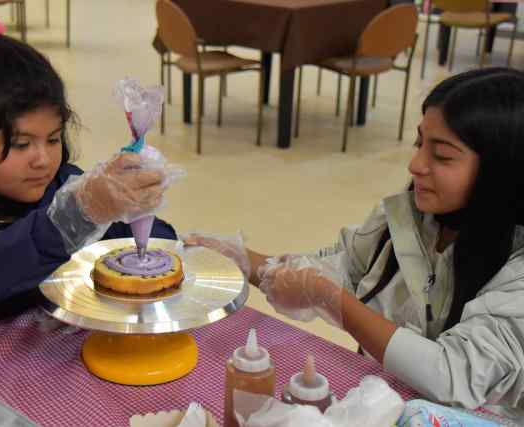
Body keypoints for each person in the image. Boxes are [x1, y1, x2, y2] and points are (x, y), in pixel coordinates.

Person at [186, 68, 524, 421]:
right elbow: (340, 268)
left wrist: (336, 302)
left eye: (441, 156)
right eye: (419, 143)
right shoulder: (409, 220)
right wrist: (238, 260)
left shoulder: (516, 271)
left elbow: (452, 375)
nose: (416, 165)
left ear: (501, 170)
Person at [0, 9, 176, 355]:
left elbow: (151, 249)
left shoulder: (62, 184)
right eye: (21, 144)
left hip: (36, 364)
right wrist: (70, 221)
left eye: (53, 139)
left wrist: (140, 215)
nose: (43, 159)